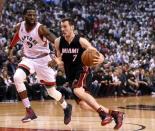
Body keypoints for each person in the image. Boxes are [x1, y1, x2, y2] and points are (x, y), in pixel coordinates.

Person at [48, 18, 124, 130]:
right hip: (70, 75)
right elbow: (60, 60)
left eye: (65, 26)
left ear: (72, 27)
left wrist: (101, 58)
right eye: (61, 27)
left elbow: (96, 52)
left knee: (77, 90)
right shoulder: (58, 42)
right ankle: (115, 113)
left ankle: (103, 115)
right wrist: (57, 62)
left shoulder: (81, 41)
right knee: (83, 105)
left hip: (83, 71)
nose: (62, 29)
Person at [8, 5, 72, 124]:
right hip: (28, 59)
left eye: (34, 15)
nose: (32, 17)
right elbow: (17, 35)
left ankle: (66, 107)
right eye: (29, 15)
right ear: (24, 16)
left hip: (44, 61)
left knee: (51, 92)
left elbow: (58, 42)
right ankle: (29, 110)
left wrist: (57, 58)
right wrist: (11, 48)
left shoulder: (41, 29)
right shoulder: (20, 26)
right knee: (17, 77)